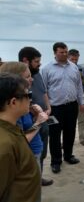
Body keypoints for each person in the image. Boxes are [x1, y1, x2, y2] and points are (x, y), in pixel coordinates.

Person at [42, 42, 84, 174]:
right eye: (62, 52)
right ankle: (56, 161)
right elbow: (44, 90)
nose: (65, 54)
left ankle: (68, 156)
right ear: (55, 53)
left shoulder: (73, 67)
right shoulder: (47, 69)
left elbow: (78, 86)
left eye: (66, 51)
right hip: (54, 108)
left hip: (71, 106)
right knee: (54, 135)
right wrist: (47, 108)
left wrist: (81, 102)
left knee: (70, 132)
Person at [0, 72, 41, 202]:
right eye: (28, 95)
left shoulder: (10, 127)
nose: (30, 99)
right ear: (13, 102)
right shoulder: (4, 145)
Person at [18, 47, 54, 186]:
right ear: (25, 61)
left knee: (41, 151)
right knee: (31, 156)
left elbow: (44, 91)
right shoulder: (16, 84)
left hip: (42, 119)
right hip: (32, 123)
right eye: (37, 61)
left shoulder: (37, 74)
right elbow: (21, 140)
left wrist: (48, 107)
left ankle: (39, 177)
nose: (39, 64)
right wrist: (35, 117)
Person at [68, 49, 84, 146]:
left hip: (81, 95)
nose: (74, 62)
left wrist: (82, 77)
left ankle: (83, 138)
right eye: (72, 59)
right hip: (69, 97)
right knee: (68, 120)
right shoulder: (65, 69)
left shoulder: (82, 69)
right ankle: (67, 139)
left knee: (81, 119)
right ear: (68, 58)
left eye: (76, 60)